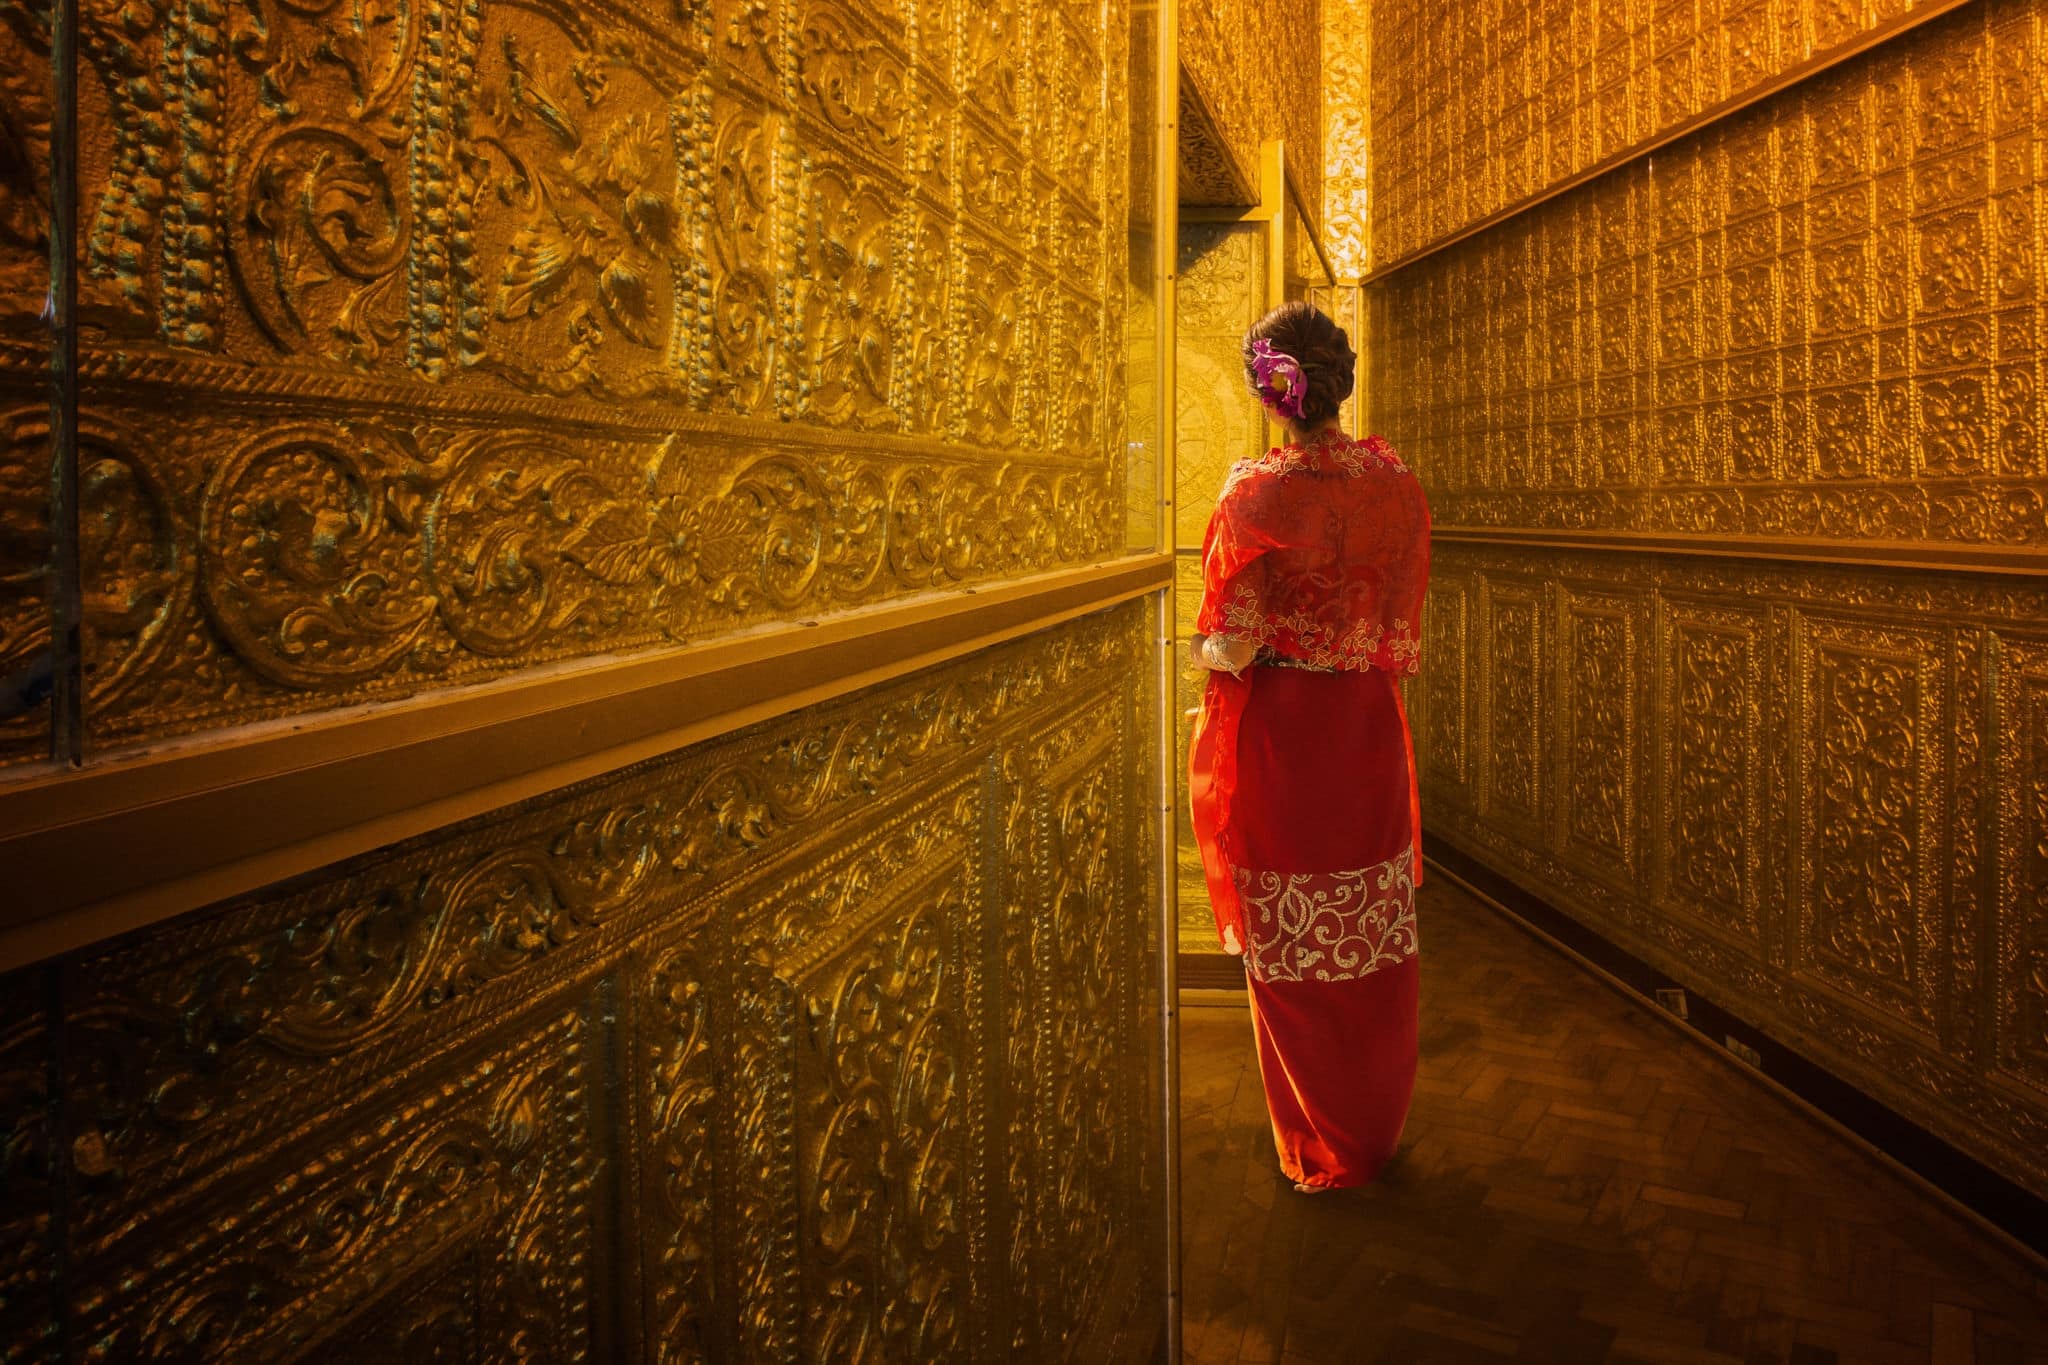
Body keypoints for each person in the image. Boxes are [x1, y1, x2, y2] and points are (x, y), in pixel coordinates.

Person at [1187, 299, 1432, 1193]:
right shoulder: (1394, 484)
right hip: (1364, 730)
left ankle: (1319, 1144)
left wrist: (1197, 650)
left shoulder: (1255, 494)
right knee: (1371, 939)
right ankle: (1371, 1128)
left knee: (1290, 946)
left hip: (1288, 739)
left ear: (1270, 390)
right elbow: (1393, 613)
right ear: (1337, 380)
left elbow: (1234, 639)